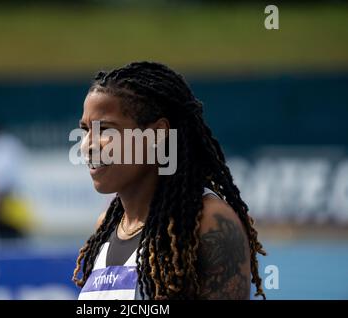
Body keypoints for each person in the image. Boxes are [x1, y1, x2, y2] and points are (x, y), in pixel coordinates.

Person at [72, 61, 266, 300]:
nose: (88, 145)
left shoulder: (208, 222)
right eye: (85, 130)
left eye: (106, 130)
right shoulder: (107, 225)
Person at [0, 125, 33, 240]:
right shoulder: (12, 143)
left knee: (3, 237)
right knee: (17, 236)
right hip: (16, 198)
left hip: (3, 200)